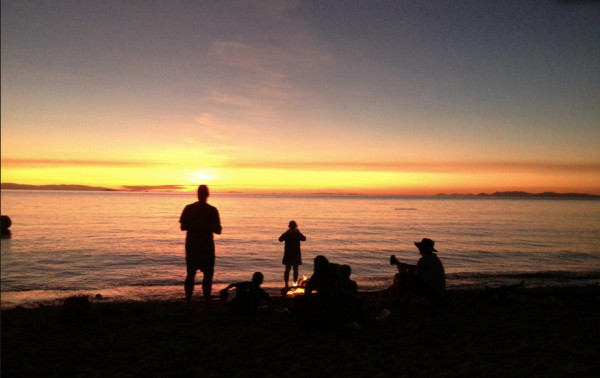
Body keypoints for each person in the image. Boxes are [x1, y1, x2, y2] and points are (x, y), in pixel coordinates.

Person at [180, 185, 222, 309]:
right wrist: (207, 225)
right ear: (208, 195)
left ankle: (188, 302)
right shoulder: (212, 210)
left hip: (193, 246)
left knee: (191, 274)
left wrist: (195, 224)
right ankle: (206, 303)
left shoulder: (189, 208)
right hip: (206, 247)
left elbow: (183, 227)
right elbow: (218, 230)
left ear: (198, 194)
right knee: (207, 276)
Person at [389, 238, 446, 305]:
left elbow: (415, 275)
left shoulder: (424, 259)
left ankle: (397, 300)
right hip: (437, 291)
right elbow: (418, 269)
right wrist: (400, 264)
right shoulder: (433, 258)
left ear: (424, 249)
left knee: (403, 276)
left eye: (420, 248)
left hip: (432, 292)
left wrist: (402, 268)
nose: (419, 249)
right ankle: (400, 297)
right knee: (406, 274)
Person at [278, 220, 306, 288]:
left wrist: (285, 233)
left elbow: (280, 239)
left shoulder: (287, 233)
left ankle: (286, 284)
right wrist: (298, 233)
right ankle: (295, 283)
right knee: (295, 269)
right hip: (296, 254)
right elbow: (304, 239)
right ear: (295, 226)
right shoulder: (297, 233)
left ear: (289, 226)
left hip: (288, 254)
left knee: (287, 269)